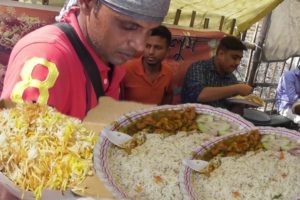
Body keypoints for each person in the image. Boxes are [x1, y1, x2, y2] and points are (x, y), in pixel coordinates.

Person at [0, 0, 170, 120]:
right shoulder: (47, 56)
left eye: (150, 31)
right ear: (88, 3)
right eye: (129, 26)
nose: (140, 46)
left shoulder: (112, 58)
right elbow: (15, 160)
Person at [181, 35, 253, 113]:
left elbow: (234, 112)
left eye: (240, 59)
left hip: (221, 123)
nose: (238, 63)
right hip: (192, 120)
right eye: (234, 58)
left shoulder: (231, 79)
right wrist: (236, 88)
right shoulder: (199, 68)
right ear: (221, 54)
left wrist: (242, 102)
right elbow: (199, 95)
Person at [122, 25, 173, 105]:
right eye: (147, 46)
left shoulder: (168, 72)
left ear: (168, 51)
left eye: (157, 47)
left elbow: (168, 95)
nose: (151, 52)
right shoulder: (126, 69)